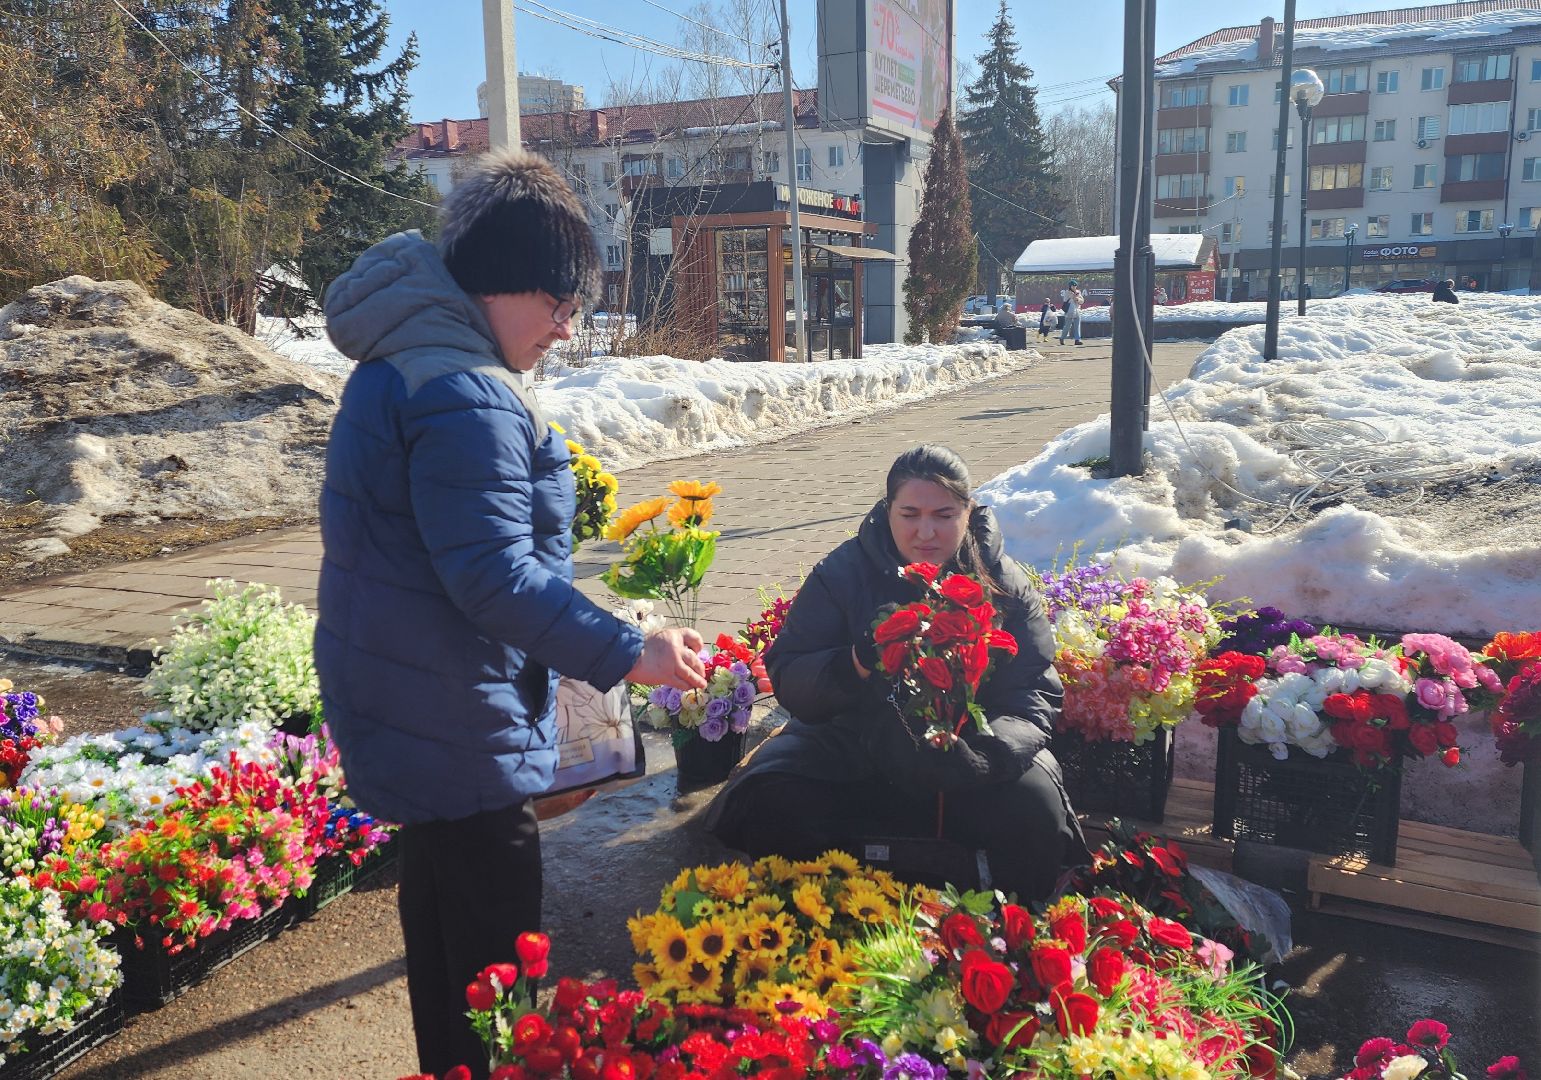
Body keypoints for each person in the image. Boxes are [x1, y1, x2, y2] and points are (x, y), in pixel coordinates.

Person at [315, 149, 707, 1080]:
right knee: (495, 963)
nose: (566, 330)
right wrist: (628, 650)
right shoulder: (464, 391)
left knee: (444, 931)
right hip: (456, 709)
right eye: (559, 305)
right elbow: (491, 577)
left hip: (411, 693)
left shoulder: (408, 358)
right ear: (502, 284)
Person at [705, 445, 1086, 902]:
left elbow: (1032, 690)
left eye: (944, 514)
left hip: (968, 750)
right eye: (910, 513)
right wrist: (856, 663)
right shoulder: (842, 573)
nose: (926, 531)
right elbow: (789, 672)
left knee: (1037, 811)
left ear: (968, 510)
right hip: (854, 743)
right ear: (888, 511)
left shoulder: (1003, 580)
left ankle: (999, 931)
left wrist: (989, 754)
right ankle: (817, 916)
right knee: (773, 803)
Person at [1059, 279, 1084, 346]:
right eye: (1073, 286)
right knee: (1067, 326)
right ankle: (1062, 338)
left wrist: (1078, 299)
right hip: (1069, 311)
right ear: (1070, 286)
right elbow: (1066, 300)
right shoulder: (1067, 292)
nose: (1074, 287)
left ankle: (1077, 339)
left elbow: (1082, 301)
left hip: (1077, 310)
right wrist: (1074, 296)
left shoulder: (1078, 292)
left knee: (1077, 326)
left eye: (1075, 286)